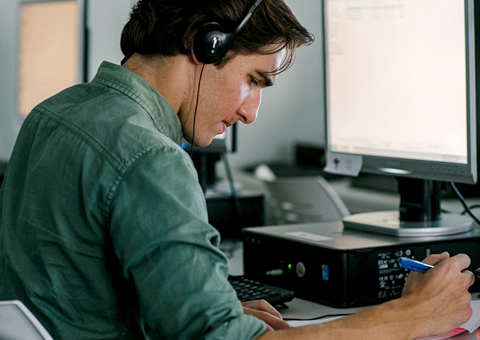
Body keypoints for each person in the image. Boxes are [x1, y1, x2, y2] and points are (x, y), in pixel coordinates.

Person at [0, 0, 474, 339]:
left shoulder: (53, 112)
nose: (251, 113)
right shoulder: (150, 158)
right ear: (204, 43)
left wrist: (199, 309)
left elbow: (75, 296)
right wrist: (413, 314)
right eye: (253, 79)